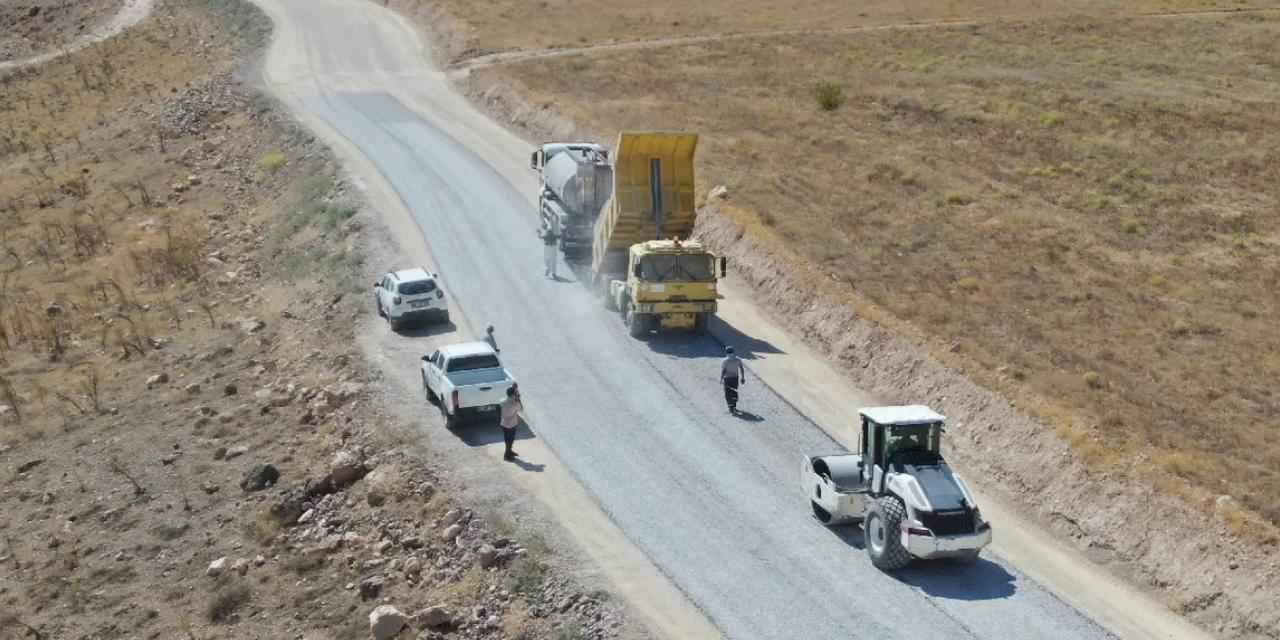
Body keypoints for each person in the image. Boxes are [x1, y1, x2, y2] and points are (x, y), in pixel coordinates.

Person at [499, 384, 523, 461]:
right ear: (513, 395)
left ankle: (509, 452)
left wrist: (514, 389)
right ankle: (507, 455)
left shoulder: (502, 401)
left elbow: (504, 400)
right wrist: (518, 399)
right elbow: (521, 409)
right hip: (511, 425)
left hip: (504, 423)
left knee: (507, 439)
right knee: (510, 440)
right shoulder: (515, 404)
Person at [720, 346, 745, 413]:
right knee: (734, 392)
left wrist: (721, 378)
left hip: (727, 379)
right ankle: (734, 406)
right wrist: (743, 378)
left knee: (727, 393)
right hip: (735, 378)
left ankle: (730, 407)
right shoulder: (738, 359)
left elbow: (724, 371)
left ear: (726, 352)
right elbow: (741, 369)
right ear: (733, 352)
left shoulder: (725, 361)